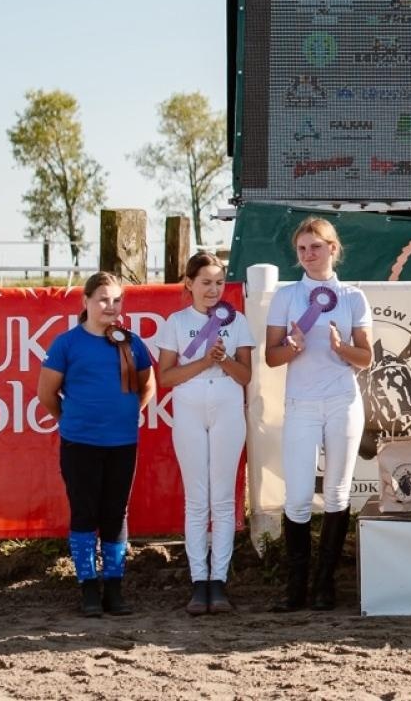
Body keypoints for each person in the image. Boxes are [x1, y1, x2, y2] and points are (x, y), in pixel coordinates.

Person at [265, 217, 374, 612]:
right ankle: (295, 585)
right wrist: (292, 347)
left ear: (332, 248)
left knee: (337, 494)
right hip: (301, 404)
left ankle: (325, 584)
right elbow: (271, 356)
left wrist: (342, 348)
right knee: (296, 497)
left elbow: (366, 357)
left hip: (343, 401)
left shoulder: (353, 297)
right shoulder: (286, 296)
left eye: (315, 247)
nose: (308, 255)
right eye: (302, 249)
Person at [36, 272, 157, 617]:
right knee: (84, 512)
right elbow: (46, 394)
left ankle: (114, 589)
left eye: (117, 300)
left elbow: (148, 386)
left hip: (123, 442)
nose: (110, 306)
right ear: (86, 301)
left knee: (116, 513)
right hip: (80, 443)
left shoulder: (131, 343)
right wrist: (71, 421)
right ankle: (88, 588)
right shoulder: (66, 344)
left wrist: (127, 413)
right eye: (103, 299)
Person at [154, 252, 254, 615]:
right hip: (190, 409)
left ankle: (219, 581)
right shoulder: (176, 322)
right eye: (206, 282)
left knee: (223, 499)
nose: (213, 290)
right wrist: (204, 362)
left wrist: (224, 360)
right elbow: (166, 377)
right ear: (189, 284)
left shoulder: (237, 320)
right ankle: (199, 581)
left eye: (219, 282)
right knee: (197, 500)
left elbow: (245, 376)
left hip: (228, 407)